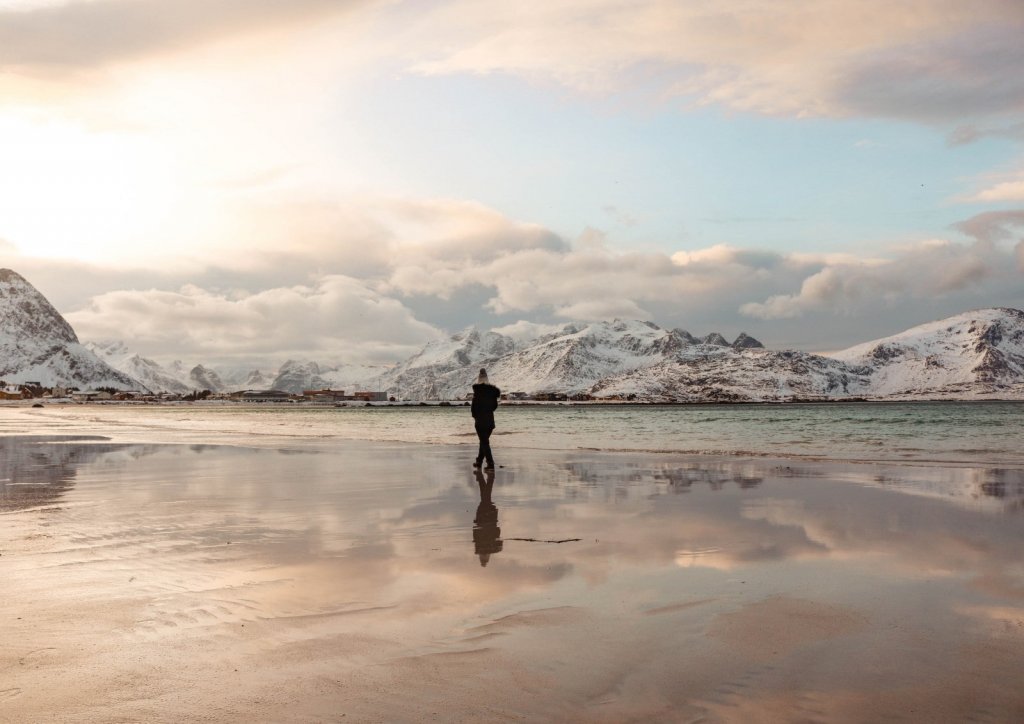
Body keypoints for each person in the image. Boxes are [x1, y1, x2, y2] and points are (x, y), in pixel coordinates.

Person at [470, 368, 500, 470]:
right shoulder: (492, 393)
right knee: (483, 441)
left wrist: (476, 416)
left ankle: (490, 464)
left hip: (480, 422)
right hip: (490, 422)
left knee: (484, 442)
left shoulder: (477, 393)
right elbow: (494, 407)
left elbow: (473, 409)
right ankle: (479, 462)